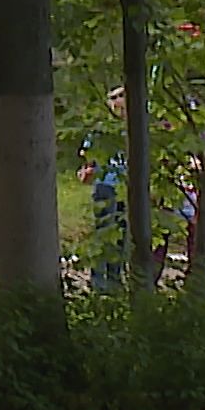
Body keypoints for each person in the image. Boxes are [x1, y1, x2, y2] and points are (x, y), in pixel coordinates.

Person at [77, 86, 128, 290]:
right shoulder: (101, 130)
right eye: (115, 98)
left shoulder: (135, 128)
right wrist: (88, 170)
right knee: (104, 232)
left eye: (121, 97)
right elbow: (88, 157)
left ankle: (115, 279)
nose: (118, 102)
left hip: (126, 187)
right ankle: (98, 279)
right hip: (106, 185)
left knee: (121, 235)